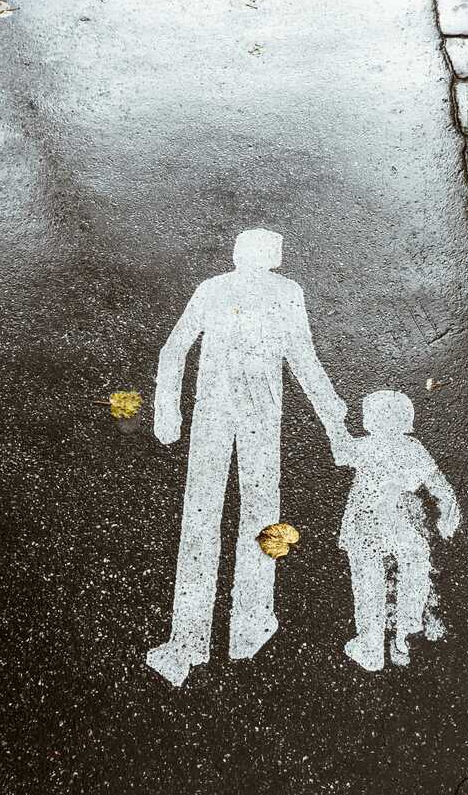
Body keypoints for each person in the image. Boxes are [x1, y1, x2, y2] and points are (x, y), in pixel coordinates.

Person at [147, 228, 348, 687]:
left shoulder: (219, 288)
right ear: (273, 257)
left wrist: (168, 411)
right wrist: (332, 416)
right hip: (247, 416)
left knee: (207, 519)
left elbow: (173, 350)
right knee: (250, 514)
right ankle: (243, 626)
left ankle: (198, 638)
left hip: (222, 415)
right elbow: (304, 359)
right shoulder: (274, 291)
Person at [337, 390, 459, 672]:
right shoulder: (412, 448)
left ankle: (371, 645)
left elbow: (339, 452)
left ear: (374, 420)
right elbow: (437, 483)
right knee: (416, 559)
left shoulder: (366, 446)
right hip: (394, 521)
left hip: (365, 523)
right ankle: (406, 632)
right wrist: (448, 514)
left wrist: (335, 423)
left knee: (368, 582)